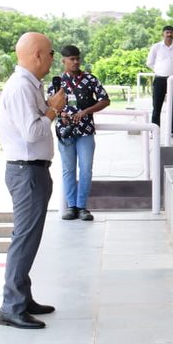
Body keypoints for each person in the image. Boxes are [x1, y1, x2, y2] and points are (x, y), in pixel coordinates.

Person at [0, 32, 66, 329]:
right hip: (26, 172)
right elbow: (33, 132)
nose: (52, 59)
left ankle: (22, 297)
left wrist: (48, 106)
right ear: (37, 55)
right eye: (50, 53)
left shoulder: (28, 85)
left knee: (29, 238)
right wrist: (53, 109)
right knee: (24, 239)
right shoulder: (21, 88)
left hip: (32, 170)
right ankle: (11, 306)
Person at [51, 45, 110, 221]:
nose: (76, 62)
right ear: (63, 61)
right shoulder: (57, 81)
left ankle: (82, 206)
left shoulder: (90, 79)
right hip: (65, 132)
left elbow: (105, 100)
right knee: (68, 169)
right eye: (71, 59)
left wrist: (86, 111)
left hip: (85, 131)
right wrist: (61, 114)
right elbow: (49, 104)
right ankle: (71, 207)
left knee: (85, 169)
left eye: (78, 58)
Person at [146, 25, 173, 131]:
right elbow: (149, 63)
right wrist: (159, 70)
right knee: (157, 106)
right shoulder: (156, 47)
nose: (169, 35)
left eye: (171, 33)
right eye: (167, 33)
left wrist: (172, 70)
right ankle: (155, 130)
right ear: (163, 34)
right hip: (159, 80)